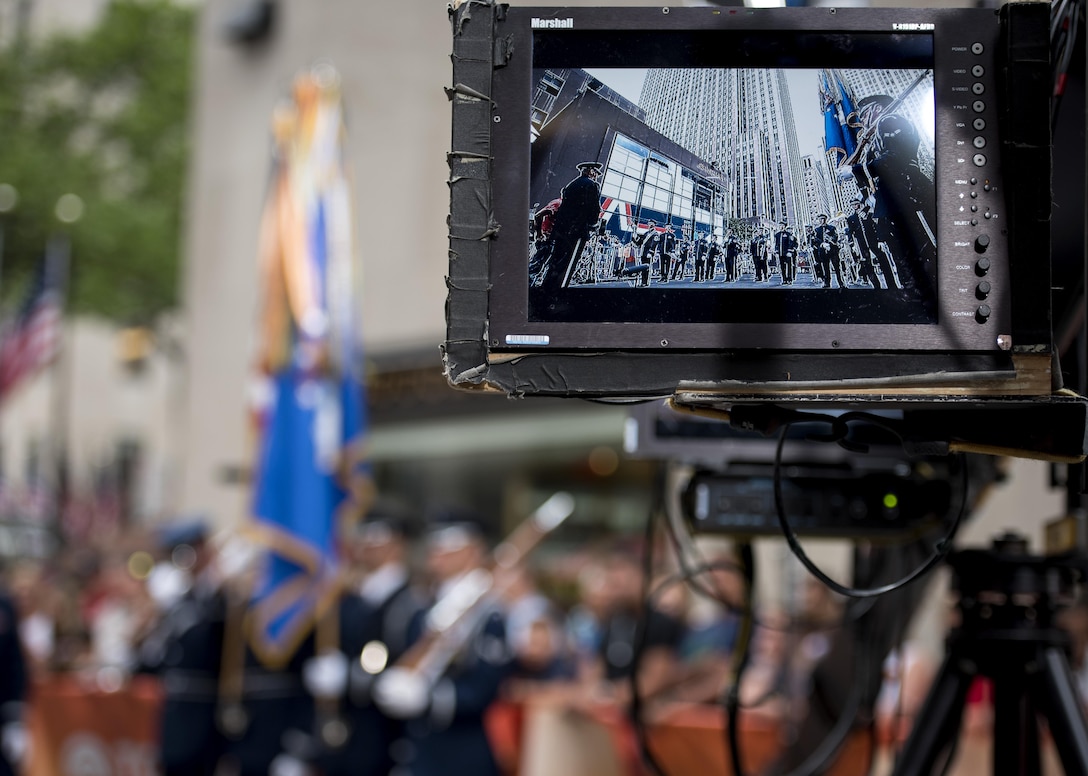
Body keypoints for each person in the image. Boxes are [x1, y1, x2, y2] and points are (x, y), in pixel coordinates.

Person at [373, 509, 510, 776]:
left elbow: (486, 684)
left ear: (472, 550)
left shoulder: (487, 612)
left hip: (464, 751)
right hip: (422, 747)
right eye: (435, 546)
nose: (437, 554)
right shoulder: (420, 608)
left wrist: (432, 699)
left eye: (448, 547)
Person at [136, 519, 229, 776]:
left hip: (204, 718)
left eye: (191, 551)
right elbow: (151, 663)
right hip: (173, 717)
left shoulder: (219, 601)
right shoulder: (177, 603)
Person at [536, 162, 603, 293]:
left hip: (561, 230)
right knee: (567, 266)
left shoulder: (570, 186)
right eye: (595, 172)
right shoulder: (592, 185)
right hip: (577, 231)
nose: (596, 176)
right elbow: (594, 210)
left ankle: (546, 290)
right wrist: (592, 224)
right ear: (590, 171)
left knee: (555, 264)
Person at [813, 214, 844, 289]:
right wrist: (822, 243)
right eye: (820, 219)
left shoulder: (831, 228)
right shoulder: (817, 229)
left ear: (825, 219)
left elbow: (835, 236)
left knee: (837, 267)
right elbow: (816, 239)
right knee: (825, 267)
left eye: (823, 219)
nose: (821, 220)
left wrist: (830, 242)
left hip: (832, 250)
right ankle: (827, 283)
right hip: (823, 251)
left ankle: (841, 282)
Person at [773, 221, 797, 286]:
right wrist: (776, 251)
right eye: (780, 225)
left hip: (787, 253)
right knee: (782, 267)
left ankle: (789, 279)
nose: (781, 227)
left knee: (789, 266)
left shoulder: (788, 234)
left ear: (785, 226)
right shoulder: (777, 234)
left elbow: (790, 243)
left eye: (782, 225)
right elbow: (776, 244)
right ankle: (784, 279)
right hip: (780, 253)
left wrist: (789, 251)